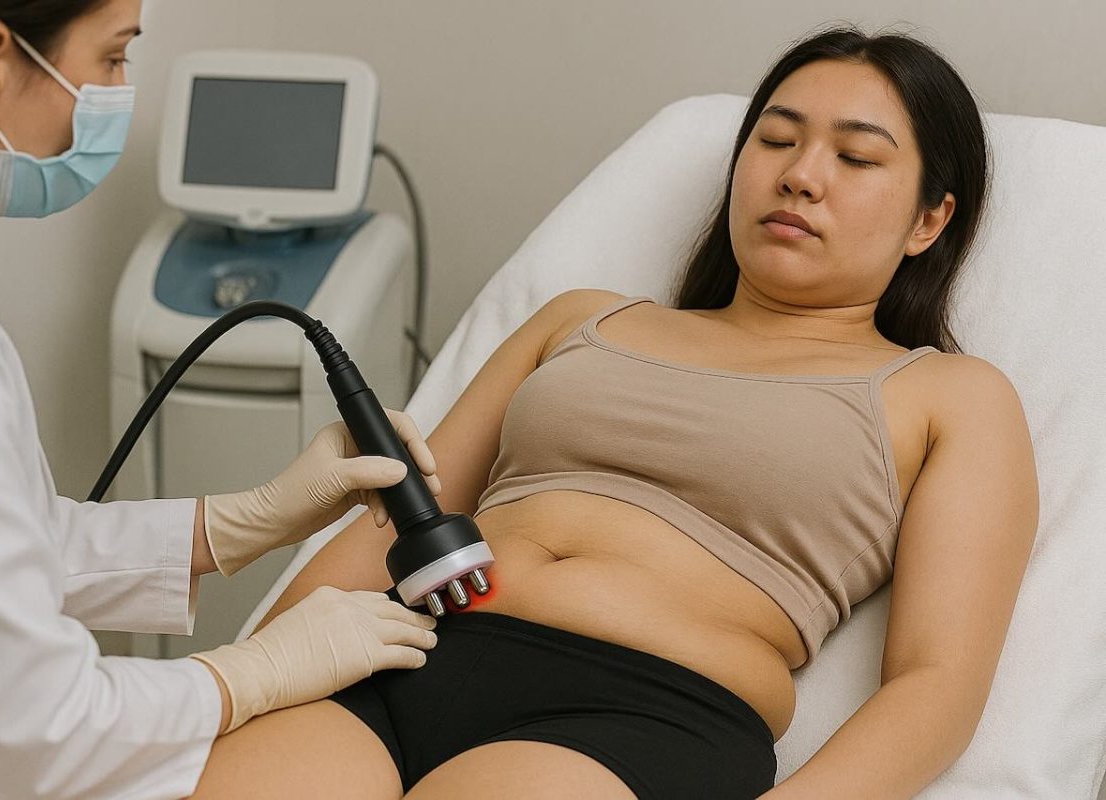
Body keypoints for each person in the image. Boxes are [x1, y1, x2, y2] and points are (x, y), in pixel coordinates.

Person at [187, 24, 1041, 800]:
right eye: (775, 139)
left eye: (856, 159)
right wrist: (249, 671)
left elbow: (936, 681)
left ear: (930, 219)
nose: (799, 174)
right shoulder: (581, 320)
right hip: (405, 653)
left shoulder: (949, 396)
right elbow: (396, 519)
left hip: (650, 712)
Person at [0, 1, 442, 798]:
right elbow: (35, 725)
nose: (119, 91)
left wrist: (237, 522)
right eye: (114, 59)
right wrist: (255, 672)